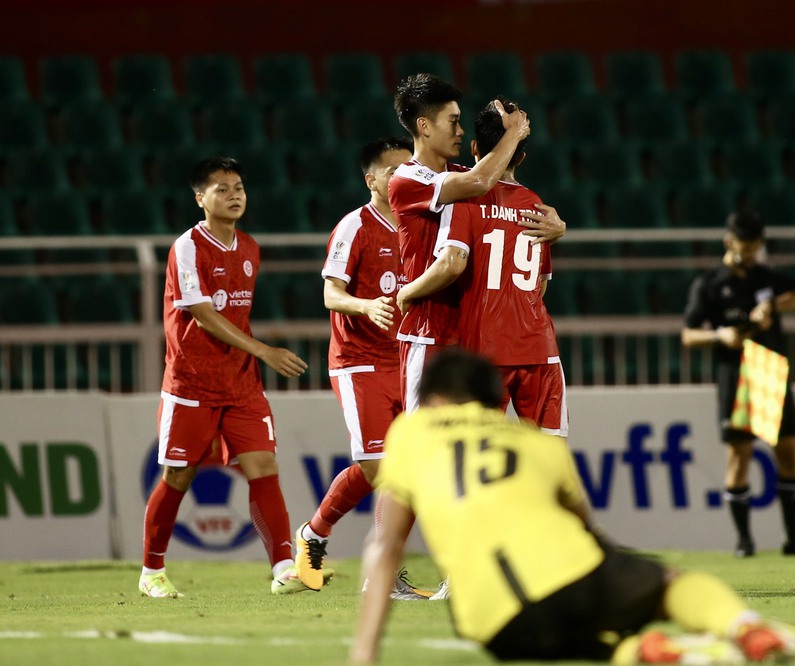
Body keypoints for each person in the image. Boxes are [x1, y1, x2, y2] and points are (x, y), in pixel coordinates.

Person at [349, 348, 795, 664]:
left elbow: (386, 544)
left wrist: (365, 651)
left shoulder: (410, 432)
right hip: (570, 571)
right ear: (492, 398)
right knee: (666, 584)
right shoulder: (534, 443)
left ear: (431, 396)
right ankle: (745, 627)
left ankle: (648, 652)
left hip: (492, 624)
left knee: (591, 646)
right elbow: (583, 526)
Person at [139, 156, 310, 598]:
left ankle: (284, 567)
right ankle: (151, 572)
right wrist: (264, 351)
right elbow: (203, 314)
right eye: (222, 189)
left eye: (239, 187)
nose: (234, 195)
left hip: (241, 385)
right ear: (200, 199)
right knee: (178, 477)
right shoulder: (188, 247)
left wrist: (253, 359)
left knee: (263, 467)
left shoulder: (250, 247)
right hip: (192, 383)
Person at [292, 137, 431, 600]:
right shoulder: (354, 226)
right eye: (390, 170)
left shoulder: (420, 225)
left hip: (407, 360)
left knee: (397, 468)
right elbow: (331, 294)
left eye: (405, 168)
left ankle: (320, 537)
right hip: (358, 362)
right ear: (370, 179)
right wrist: (365, 305)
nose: (399, 176)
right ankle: (361, 558)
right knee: (380, 468)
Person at [389, 73, 564, 415]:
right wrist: (513, 133)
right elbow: (483, 179)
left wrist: (555, 227)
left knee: (464, 448)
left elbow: (504, 198)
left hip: (470, 335)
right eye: (452, 122)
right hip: (429, 330)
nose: (460, 131)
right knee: (426, 443)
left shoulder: (459, 175)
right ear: (424, 127)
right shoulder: (408, 179)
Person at [681, 212, 795, 558]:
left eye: (755, 246)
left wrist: (773, 306)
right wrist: (719, 335)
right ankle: (744, 541)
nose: (750, 253)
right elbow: (688, 334)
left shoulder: (765, 277)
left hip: (770, 370)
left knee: (788, 452)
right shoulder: (710, 283)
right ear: (729, 242)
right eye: (745, 246)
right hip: (736, 373)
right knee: (738, 457)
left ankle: (793, 539)